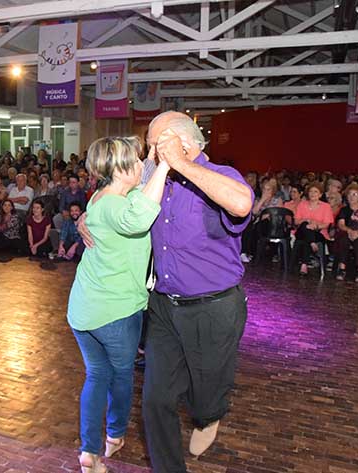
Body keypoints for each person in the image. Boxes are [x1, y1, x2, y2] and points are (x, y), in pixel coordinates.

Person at [79, 112, 254, 473]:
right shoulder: (152, 178)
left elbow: (241, 204)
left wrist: (180, 163)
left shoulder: (219, 175)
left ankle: (209, 415)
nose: (146, 157)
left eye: (155, 147)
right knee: (155, 401)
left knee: (204, 399)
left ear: (185, 144)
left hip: (214, 308)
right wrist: (86, 217)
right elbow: (109, 195)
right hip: (163, 307)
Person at [67, 137, 168, 473]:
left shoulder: (103, 195)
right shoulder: (118, 206)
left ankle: (88, 452)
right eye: (138, 160)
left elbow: (142, 189)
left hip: (84, 309)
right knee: (120, 376)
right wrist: (167, 165)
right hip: (115, 312)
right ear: (125, 168)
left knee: (96, 375)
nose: (144, 164)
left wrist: (155, 158)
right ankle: (115, 434)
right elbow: (140, 217)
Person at [293, 182, 334, 276]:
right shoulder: (302, 204)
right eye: (311, 191)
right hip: (301, 232)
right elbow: (296, 222)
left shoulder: (326, 206)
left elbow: (326, 224)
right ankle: (312, 242)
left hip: (319, 233)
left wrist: (315, 225)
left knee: (307, 234)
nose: (312, 193)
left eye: (316, 192)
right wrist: (307, 221)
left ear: (320, 194)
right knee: (304, 224)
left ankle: (304, 264)